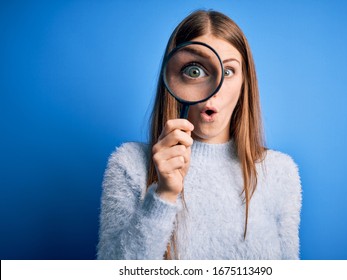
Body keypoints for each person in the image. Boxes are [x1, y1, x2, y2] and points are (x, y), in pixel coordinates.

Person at [97, 9, 302, 260]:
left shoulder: (281, 172)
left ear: (244, 82)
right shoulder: (129, 164)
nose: (213, 91)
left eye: (227, 72)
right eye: (195, 71)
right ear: (173, 78)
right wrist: (163, 194)